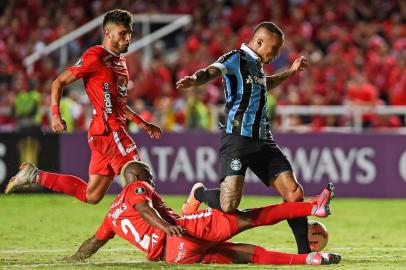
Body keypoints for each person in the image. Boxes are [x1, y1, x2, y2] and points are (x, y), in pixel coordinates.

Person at [176, 21, 314, 254]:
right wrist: (195, 79)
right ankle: (199, 193)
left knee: (294, 192)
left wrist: (290, 73)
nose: (276, 53)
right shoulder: (235, 58)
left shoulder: (258, 66)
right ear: (259, 42)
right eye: (275, 48)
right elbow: (211, 71)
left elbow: (264, 85)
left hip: (264, 139)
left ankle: (305, 254)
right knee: (229, 205)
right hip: (238, 139)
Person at [4, 9, 162, 204]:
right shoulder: (95, 55)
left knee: (92, 195)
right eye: (122, 33)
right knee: (141, 177)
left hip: (102, 132)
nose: (127, 38)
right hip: (110, 130)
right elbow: (58, 83)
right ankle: (164, 229)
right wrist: (55, 115)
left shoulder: (120, 61)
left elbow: (118, 105)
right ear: (108, 33)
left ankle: (35, 176)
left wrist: (143, 123)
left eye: (129, 32)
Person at [65, 160, 340, 265]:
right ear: (138, 175)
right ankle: (312, 206)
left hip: (174, 257)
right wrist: (166, 227)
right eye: (149, 175)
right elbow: (144, 208)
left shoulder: (111, 216)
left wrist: (74, 259)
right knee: (248, 217)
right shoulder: (136, 186)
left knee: (245, 255)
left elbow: (93, 243)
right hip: (180, 234)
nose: (152, 180)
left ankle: (309, 260)